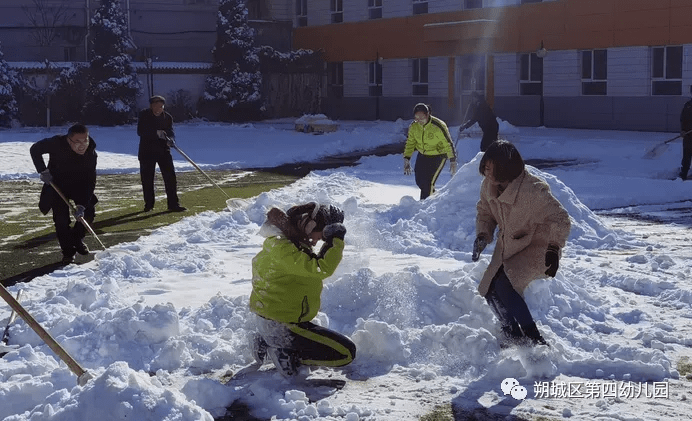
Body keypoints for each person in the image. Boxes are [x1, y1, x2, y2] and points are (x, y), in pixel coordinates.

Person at [471, 140, 571, 347]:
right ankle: (511, 333)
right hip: (510, 246)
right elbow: (485, 212)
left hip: (539, 247)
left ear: (505, 167)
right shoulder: (489, 186)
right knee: (490, 288)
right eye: (485, 167)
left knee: (505, 285)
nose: (486, 172)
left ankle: (535, 339)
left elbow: (560, 218)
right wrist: (483, 235)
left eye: (491, 167)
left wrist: (553, 248)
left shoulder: (532, 191)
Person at [248, 202, 356, 377]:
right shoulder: (284, 249)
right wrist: (335, 239)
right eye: (318, 236)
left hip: (274, 321)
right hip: (283, 325)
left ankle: (265, 343)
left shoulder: (283, 243)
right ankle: (283, 353)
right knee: (345, 353)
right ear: (308, 224)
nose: (315, 241)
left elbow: (311, 265)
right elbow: (321, 268)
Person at [30, 124, 98, 264]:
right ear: (68, 140)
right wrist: (43, 170)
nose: (82, 145)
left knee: (88, 212)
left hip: (79, 186)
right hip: (57, 185)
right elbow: (35, 149)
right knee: (61, 220)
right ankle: (68, 252)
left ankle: (77, 239)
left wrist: (81, 205)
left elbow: (90, 181)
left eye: (85, 140)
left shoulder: (91, 153)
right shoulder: (56, 143)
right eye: (77, 142)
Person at [137, 95, 186, 212]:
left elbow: (170, 131)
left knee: (170, 177)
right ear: (151, 106)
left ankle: (173, 204)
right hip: (146, 152)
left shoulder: (167, 117)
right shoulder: (144, 115)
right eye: (156, 106)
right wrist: (157, 133)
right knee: (147, 179)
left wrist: (171, 139)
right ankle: (149, 204)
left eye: (161, 106)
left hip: (163, 151)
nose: (158, 109)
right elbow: (141, 131)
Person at [403, 103, 457, 200]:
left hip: (439, 155)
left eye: (422, 118)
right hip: (423, 154)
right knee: (419, 181)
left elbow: (448, 143)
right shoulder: (414, 126)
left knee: (428, 182)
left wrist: (452, 160)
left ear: (427, 115)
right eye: (416, 118)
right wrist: (407, 158)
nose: (419, 121)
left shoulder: (438, 126)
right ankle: (434, 199)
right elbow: (410, 143)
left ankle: (424, 205)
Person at [679, 85, 692, 181]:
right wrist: (682, 130)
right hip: (688, 135)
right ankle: (683, 174)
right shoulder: (687, 105)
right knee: (686, 155)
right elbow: (683, 118)